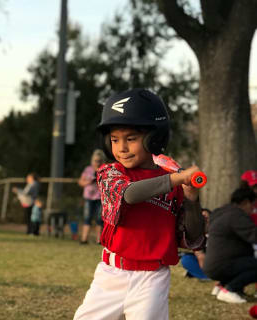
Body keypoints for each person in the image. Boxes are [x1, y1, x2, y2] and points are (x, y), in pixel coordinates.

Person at [73, 88, 205, 320]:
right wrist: (176, 178)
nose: (121, 147)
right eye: (114, 139)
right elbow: (130, 195)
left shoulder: (174, 181)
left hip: (152, 278)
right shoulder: (111, 173)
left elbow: (193, 237)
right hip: (111, 274)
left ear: (154, 138)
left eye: (131, 138)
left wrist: (192, 198)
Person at [203, 187, 257, 304]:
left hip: (212, 264)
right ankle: (230, 290)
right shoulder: (236, 215)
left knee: (247, 260)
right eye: (252, 205)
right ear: (245, 202)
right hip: (222, 265)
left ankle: (221, 287)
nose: (253, 209)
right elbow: (254, 236)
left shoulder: (221, 212)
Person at [77, 149, 107, 244]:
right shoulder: (88, 169)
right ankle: (84, 239)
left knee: (100, 219)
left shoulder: (105, 169)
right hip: (88, 198)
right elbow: (80, 182)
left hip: (100, 198)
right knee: (87, 217)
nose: (97, 163)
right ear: (92, 160)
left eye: (99, 161)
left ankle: (99, 240)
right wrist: (89, 181)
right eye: (95, 160)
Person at [180, 208, 212, 280]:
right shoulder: (195, 235)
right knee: (186, 259)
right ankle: (203, 275)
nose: (204, 219)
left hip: (217, 262)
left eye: (206, 217)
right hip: (205, 262)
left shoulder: (217, 232)